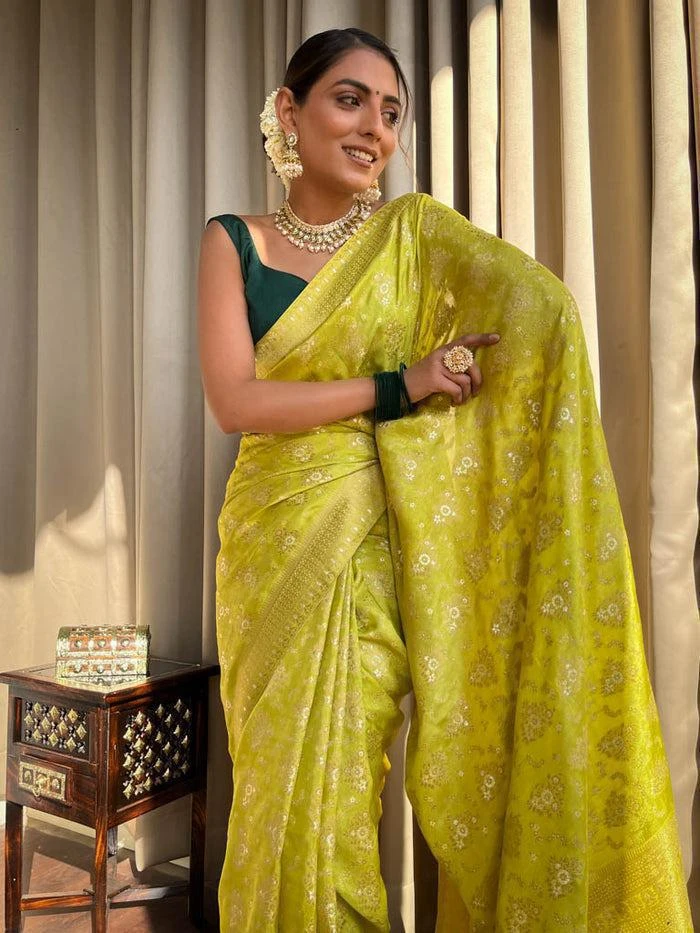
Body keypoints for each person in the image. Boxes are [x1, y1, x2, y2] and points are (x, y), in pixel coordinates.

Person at [197, 27, 691, 933]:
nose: (374, 129)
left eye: (390, 113)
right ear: (288, 112)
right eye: (350, 100)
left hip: (371, 546)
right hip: (273, 542)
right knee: (275, 789)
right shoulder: (234, 242)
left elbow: (541, 309)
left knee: (345, 791)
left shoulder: (413, 239)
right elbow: (236, 401)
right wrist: (399, 385)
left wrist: (475, 388)